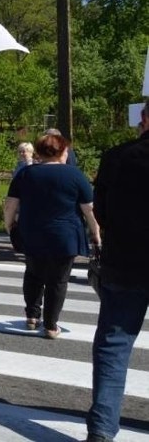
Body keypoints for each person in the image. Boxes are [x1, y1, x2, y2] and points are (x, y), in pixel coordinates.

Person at [85, 101, 149, 442]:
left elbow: (102, 213)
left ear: (144, 118)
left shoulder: (117, 156)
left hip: (125, 262)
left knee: (113, 346)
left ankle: (102, 429)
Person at [3, 133, 100, 339]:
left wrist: (9, 224)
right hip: (65, 235)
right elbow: (89, 209)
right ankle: (50, 324)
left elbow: (10, 203)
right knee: (58, 280)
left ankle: (31, 315)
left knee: (33, 273)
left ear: (38, 152)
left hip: (31, 232)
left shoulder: (26, 174)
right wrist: (96, 233)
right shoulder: (75, 175)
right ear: (64, 151)